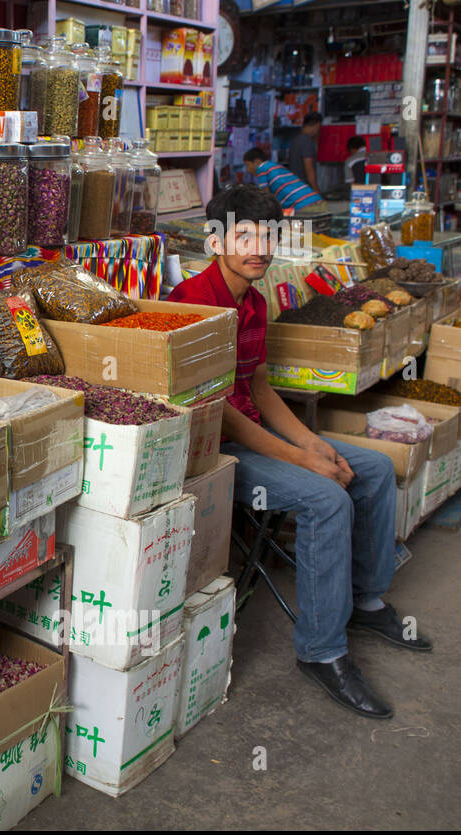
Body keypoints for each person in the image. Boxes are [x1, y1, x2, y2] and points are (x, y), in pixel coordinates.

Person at [169, 185, 431, 720]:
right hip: (214, 450)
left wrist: (313, 443)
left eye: (268, 236)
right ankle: (321, 650)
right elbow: (218, 412)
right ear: (216, 240)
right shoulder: (193, 301)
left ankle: (366, 601)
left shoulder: (257, 300)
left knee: (376, 468)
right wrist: (301, 460)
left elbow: (261, 389)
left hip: (252, 432)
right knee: (326, 500)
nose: (259, 247)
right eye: (244, 234)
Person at [242, 148, 326, 215]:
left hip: (303, 207)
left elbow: (266, 197)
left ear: (257, 162)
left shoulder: (261, 168)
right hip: (318, 202)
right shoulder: (276, 166)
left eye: (248, 165)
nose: (247, 169)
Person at [287, 110, 322, 193]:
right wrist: (315, 189)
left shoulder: (296, 140)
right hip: (304, 189)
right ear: (317, 125)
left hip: (294, 187)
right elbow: (309, 168)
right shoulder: (307, 142)